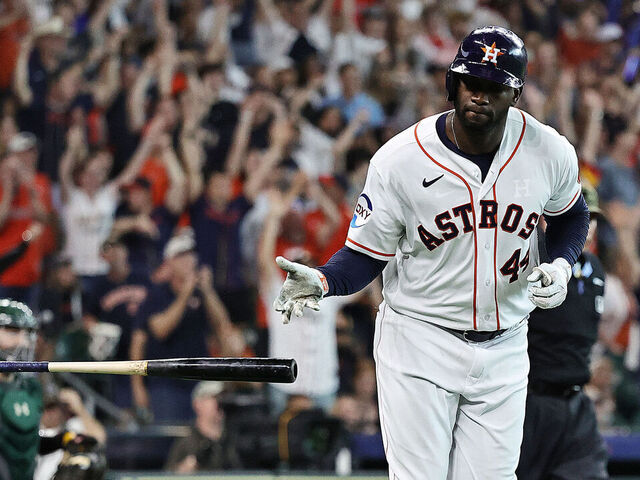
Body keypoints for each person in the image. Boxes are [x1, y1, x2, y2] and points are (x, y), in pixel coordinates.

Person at [273, 26, 590, 479]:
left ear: (515, 94)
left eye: (494, 87)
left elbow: (572, 216)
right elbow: (366, 254)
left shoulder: (549, 151)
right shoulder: (400, 160)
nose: (479, 96)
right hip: (420, 342)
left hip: (505, 347)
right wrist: (324, 280)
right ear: (452, 84)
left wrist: (560, 265)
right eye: (471, 82)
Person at [516, 185, 609, 480]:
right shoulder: (530, 258)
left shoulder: (594, 269)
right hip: (529, 403)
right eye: (580, 217)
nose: (588, 228)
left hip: (576, 405)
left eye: (592, 220)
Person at [130, 231, 246, 422]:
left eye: (191, 255)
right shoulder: (156, 295)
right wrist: (138, 386)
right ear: (170, 263)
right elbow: (159, 331)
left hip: (199, 381)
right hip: (166, 383)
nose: (188, 260)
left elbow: (222, 324)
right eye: (181, 256)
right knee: (172, 437)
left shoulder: (201, 293)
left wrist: (207, 290)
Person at [164, 381, 241, 473]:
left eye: (224, 397)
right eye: (215, 397)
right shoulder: (187, 442)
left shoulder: (235, 438)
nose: (221, 402)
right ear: (198, 404)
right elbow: (168, 473)